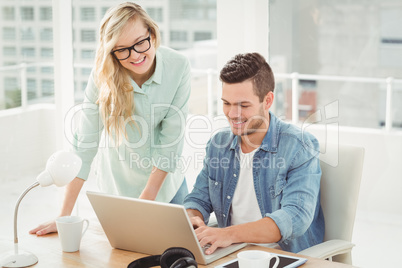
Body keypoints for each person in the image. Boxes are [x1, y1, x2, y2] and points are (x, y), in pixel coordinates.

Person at [30, 2, 191, 236]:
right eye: (122, 49)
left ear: (152, 34)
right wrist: (64, 215)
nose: (135, 55)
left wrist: (145, 203)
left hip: (167, 189)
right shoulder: (102, 75)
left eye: (140, 43)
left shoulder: (178, 66)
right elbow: (84, 145)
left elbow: (170, 143)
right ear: (112, 52)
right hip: (118, 192)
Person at [184, 53, 324, 254]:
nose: (232, 114)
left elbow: (296, 216)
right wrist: (193, 218)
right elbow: (198, 199)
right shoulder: (218, 145)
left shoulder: (299, 146)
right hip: (230, 253)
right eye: (227, 103)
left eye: (243, 105)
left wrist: (228, 234)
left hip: (283, 255)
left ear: (267, 101)